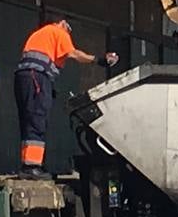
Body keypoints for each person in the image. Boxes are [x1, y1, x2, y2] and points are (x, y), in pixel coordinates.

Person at [15, 16, 117, 180]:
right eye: (69, 29)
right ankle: (31, 167)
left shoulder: (41, 34)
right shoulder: (58, 32)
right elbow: (75, 54)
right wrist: (99, 60)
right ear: (62, 23)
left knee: (30, 119)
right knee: (37, 119)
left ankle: (29, 164)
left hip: (27, 77)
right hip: (36, 77)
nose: (68, 33)